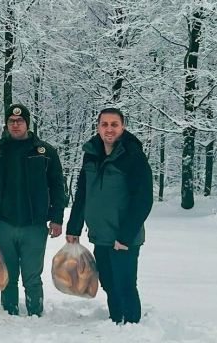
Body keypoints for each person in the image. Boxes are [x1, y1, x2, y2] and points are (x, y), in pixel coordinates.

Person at [65, 107, 153, 324]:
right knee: (107, 281)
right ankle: (117, 322)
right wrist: (73, 227)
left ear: (122, 127)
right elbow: (83, 193)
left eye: (114, 124)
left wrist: (125, 236)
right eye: (104, 124)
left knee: (125, 284)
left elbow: (143, 200)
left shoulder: (133, 156)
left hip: (123, 236)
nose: (109, 129)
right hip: (100, 233)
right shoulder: (91, 153)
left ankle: (132, 327)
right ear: (98, 127)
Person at [0, 103, 67, 317]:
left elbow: (57, 186)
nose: (15, 125)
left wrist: (56, 218)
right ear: (7, 124)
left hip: (34, 225)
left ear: (27, 123)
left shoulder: (44, 152)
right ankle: (9, 313)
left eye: (19, 121)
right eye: (11, 121)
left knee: (32, 275)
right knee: (6, 273)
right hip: (4, 223)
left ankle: (35, 313)